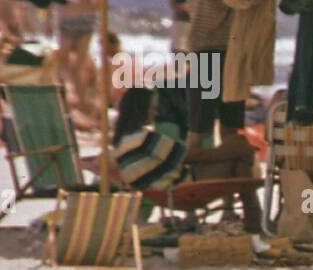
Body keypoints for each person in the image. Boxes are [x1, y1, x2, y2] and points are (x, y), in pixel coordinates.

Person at [111, 86, 262, 231]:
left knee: (238, 150)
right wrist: (233, 150)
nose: (155, 112)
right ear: (141, 110)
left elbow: (187, 156)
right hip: (183, 191)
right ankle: (252, 216)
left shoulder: (123, 142)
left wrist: (229, 151)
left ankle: (252, 216)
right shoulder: (144, 139)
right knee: (239, 147)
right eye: (152, 107)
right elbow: (192, 156)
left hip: (165, 192)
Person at [183, 0, 264, 153]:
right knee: (199, 130)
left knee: (232, 127)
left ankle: (232, 176)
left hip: (232, 54)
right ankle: (192, 179)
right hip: (205, 55)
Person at [60, 0, 102, 130]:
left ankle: (69, 101)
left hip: (68, 16)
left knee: (65, 62)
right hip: (87, 18)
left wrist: (50, 20)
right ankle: (83, 105)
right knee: (81, 64)